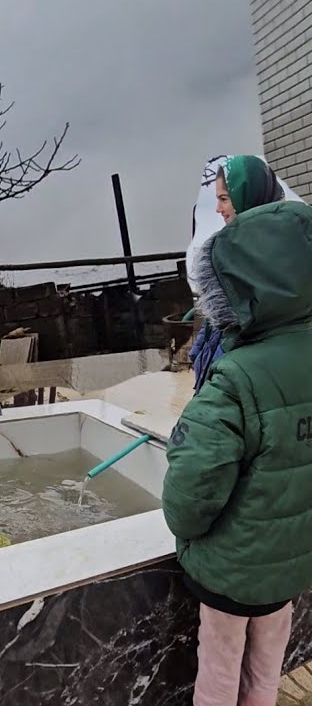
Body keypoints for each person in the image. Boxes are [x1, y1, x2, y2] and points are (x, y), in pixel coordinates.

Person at [163, 193, 312, 705]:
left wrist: (187, 536)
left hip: (230, 574)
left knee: (221, 671)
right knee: (266, 670)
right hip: (293, 566)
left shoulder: (237, 376)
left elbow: (191, 489)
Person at [189, 155, 287, 394]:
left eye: (224, 199)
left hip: (251, 389)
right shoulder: (230, 250)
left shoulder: (278, 256)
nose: (218, 209)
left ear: (247, 197)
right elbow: (216, 327)